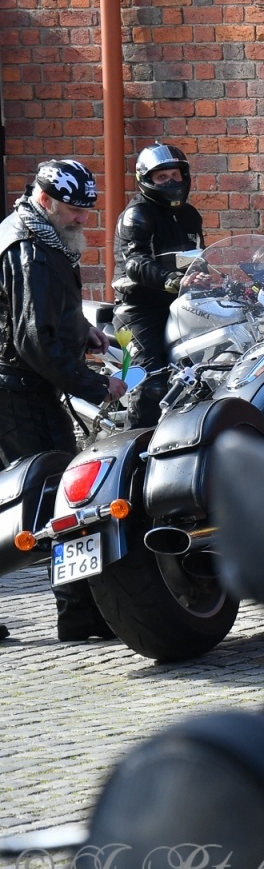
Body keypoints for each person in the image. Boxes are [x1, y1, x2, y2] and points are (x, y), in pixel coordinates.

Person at [0, 160, 126, 641]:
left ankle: (81, 613)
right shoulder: (31, 247)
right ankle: (80, 615)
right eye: (75, 210)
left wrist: (83, 331)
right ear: (47, 201)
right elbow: (34, 341)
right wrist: (97, 387)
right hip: (18, 391)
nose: (82, 220)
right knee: (62, 497)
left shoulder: (34, 234)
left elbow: (39, 318)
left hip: (17, 386)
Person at [113, 143, 206, 427]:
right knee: (151, 380)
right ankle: (132, 450)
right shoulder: (138, 214)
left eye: (175, 175)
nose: (171, 182)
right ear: (147, 180)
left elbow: (200, 256)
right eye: (162, 177)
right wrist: (171, 280)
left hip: (180, 305)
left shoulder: (190, 215)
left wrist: (214, 277)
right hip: (138, 310)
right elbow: (135, 262)